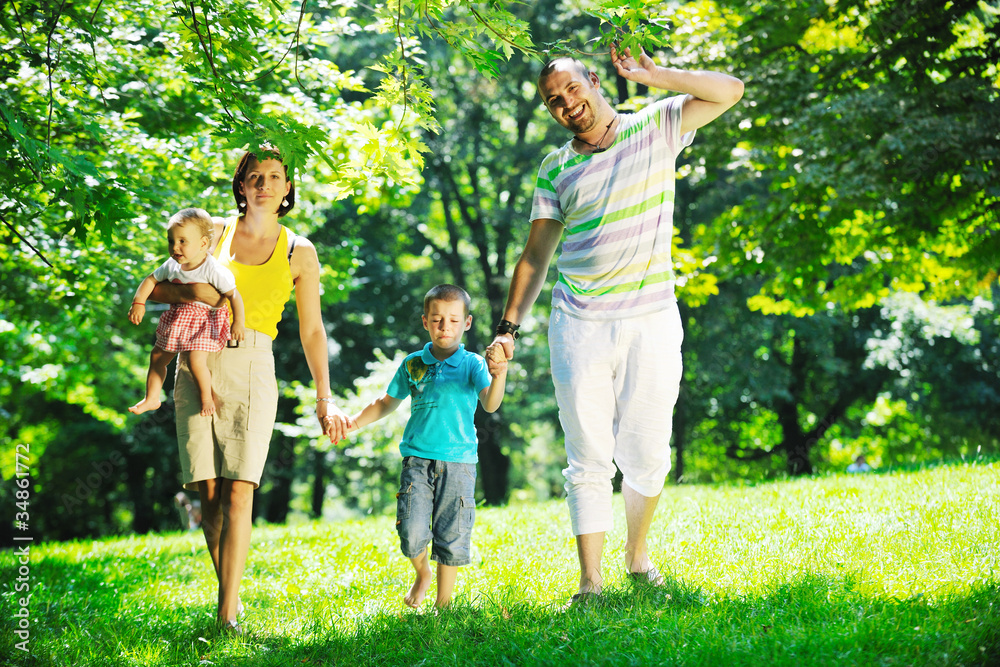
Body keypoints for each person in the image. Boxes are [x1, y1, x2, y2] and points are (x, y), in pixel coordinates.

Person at [490, 46, 744, 604]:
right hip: (578, 323)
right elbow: (535, 257)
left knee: (650, 451)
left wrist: (654, 77)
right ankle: (590, 581)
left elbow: (729, 90)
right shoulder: (555, 167)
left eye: (572, 89)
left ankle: (637, 559)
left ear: (595, 81)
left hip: (652, 318)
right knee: (587, 453)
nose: (567, 105)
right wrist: (507, 328)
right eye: (554, 101)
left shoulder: (657, 125)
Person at [147, 146, 351, 634]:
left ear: (286, 188)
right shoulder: (210, 232)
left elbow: (312, 331)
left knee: (241, 490)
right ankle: (229, 596)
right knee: (210, 494)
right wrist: (196, 294)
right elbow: (157, 286)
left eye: (274, 177)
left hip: (255, 365)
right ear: (240, 184)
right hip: (198, 361)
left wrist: (325, 396)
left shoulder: (298, 250)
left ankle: (227, 614)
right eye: (254, 176)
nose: (263, 184)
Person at [345, 284, 508, 609]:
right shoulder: (413, 364)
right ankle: (422, 574)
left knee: (452, 534)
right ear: (425, 322)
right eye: (437, 319)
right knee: (411, 530)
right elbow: (386, 403)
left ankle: (442, 605)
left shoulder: (473, 364)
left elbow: (490, 404)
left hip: (459, 463)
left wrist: (500, 373)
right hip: (417, 460)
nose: (444, 326)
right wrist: (353, 423)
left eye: (452, 319)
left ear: (467, 323)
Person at [128, 208, 246, 416]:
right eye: (171, 241)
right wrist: (139, 302)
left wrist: (238, 322)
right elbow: (150, 280)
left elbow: (233, 295)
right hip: (179, 318)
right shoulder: (172, 265)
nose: (175, 247)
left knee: (195, 361)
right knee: (157, 356)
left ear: (202, 243)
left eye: (183, 241)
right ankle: (151, 398)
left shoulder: (212, 269)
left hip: (204, 321)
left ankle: (206, 398)